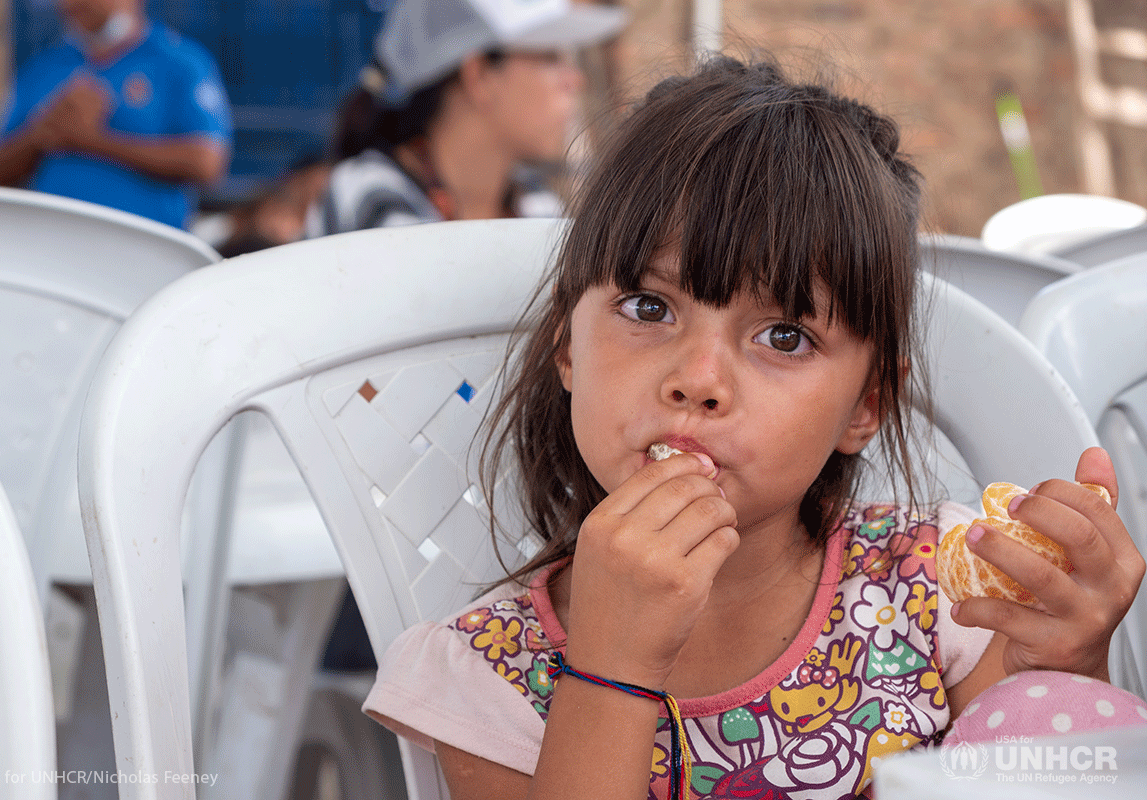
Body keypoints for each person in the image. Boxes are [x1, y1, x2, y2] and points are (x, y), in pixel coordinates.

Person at [360, 53, 1147, 799]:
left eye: (783, 337)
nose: (698, 381)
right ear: (568, 345)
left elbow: (1046, 771)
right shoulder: (486, 675)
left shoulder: (936, 596)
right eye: (648, 307)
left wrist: (1067, 670)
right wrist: (610, 668)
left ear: (866, 405)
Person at [305, 0, 626, 238]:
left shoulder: (541, 208)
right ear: (480, 74)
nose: (574, 80)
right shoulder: (369, 196)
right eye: (550, 57)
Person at [0, 0, 232, 229]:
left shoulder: (179, 61)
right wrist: (42, 131)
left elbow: (206, 163)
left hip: (145, 246)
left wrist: (91, 140)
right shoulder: (42, 67)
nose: (72, 4)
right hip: (53, 244)